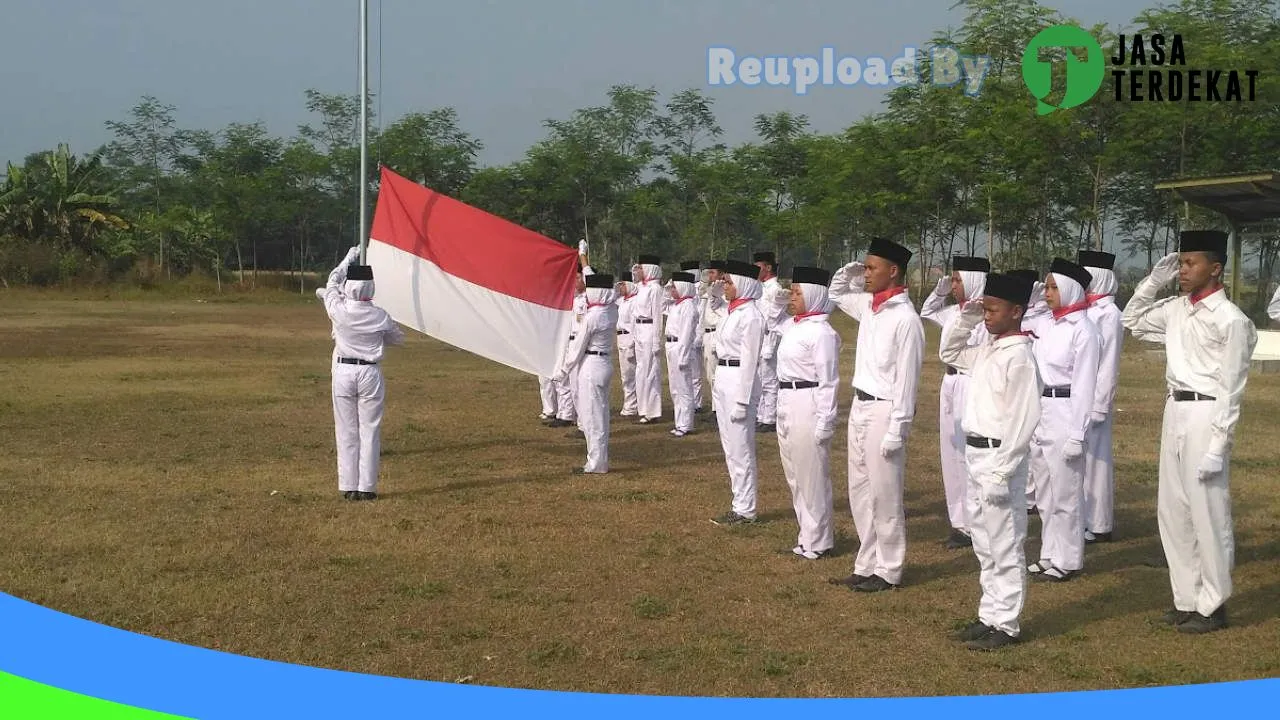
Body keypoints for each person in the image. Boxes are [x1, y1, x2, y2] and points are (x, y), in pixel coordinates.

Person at [1122, 229, 1258, 634]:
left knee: (1208, 511)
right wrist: (1152, 281)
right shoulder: (1177, 309)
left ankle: (1214, 603)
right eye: (1180, 263)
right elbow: (1131, 319)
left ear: (1215, 268)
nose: (1182, 270)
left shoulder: (1232, 320)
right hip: (1174, 409)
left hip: (1206, 413)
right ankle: (1186, 598)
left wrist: (1219, 445)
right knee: (1174, 509)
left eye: (1190, 263)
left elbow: (1232, 390)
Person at [939, 272, 1043, 651]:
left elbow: (1023, 420)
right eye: (986, 308)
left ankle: (1007, 622)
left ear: (1017, 312)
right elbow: (948, 353)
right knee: (983, 541)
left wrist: (1002, 470)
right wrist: (966, 316)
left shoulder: (1019, 356)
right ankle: (989, 614)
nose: (987, 316)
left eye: (993, 309)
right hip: (975, 454)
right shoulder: (989, 349)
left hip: (1000, 458)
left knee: (1006, 543)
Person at [827, 238, 925, 592]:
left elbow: (907, 382)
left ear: (893, 271)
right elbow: (837, 293)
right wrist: (848, 271)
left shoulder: (906, 320)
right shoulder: (870, 307)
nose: (865, 274)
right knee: (860, 489)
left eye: (871, 268)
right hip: (860, 405)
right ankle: (866, 562)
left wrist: (898, 429)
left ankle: (890, 568)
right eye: (865, 267)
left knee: (885, 492)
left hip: (885, 408)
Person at [1026, 258, 1100, 583]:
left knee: (1066, 491)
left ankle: (1068, 559)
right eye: (1047, 287)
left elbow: (1085, 386)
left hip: (1067, 409)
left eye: (1054, 287)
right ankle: (1049, 552)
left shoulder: (1084, 330)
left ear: (1070, 288)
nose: (1048, 293)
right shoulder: (1047, 324)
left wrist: (1077, 434)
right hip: (1043, 409)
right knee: (1044, 488)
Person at [316, 246, 405, 501]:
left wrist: (348, 258)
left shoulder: (338, 309)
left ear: (350, 286)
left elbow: (332, 280)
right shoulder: (380, 315)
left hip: (343, 369)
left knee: (346, 429)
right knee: (370, 430)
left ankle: (347, 485)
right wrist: (377, 336)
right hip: (370, 373)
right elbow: (398, 339)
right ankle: (367, 487)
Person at [920, 255, 991, 550]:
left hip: (970, 381)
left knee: (967, 451)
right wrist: (940, 290)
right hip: (949, 382)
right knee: (949, 451)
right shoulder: (953, 312)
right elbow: (926, 310)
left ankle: (976, 522)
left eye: (959, 280)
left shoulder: (986, 315)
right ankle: (959, 522)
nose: (955, 286)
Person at [776, 266, 841, 560]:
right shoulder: (794, 325)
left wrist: (826, 419)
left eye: (798, 292)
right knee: (794, 473)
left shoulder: (822, 333)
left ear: (814, 294)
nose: (792, 296)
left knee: (812, 473)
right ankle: (806, 534)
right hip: (786, 397)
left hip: (808, 400)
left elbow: (829, 380)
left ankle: (820, 539)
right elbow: (769, 319)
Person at [710, 259, 767, 525]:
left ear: (744, 284)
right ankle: (738, 501)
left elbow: (750, 360)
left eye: (730, 282)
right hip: (723, 376)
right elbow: (712, 298)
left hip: (738, 380)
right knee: (729, 445)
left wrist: (743, 400)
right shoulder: (732, 311)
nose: (726, 285)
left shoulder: (752, 316)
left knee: (741, 446)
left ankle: (746, 508)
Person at [1079, 250, 1124, 544]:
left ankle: (1100, 521)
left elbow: (1109, 363)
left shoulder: (1110, 314)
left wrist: (1099, 405)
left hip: (1096, 398)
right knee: (1081, 463)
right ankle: (1084, 517)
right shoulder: (1087, 311)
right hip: (1080, 395)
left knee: (1096, 462)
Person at [555, 273, 619, 474]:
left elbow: (577, 348)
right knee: (601, 414)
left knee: (593, 417)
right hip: (604, 361)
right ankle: (599, 459)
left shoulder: (594, 316)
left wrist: (563, 370)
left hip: (591, 364)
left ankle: (596, 463)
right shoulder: (611, 310)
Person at [1009, 268, 1052, 513]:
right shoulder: (1027, 315)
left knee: (1033, 443)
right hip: (1018, 384)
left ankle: (1032, 496)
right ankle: (1028, 495)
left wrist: (1035, 306)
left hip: (1038, 385)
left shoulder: (1043, 317)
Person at [548, 265, 590, 429]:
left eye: (578, 278)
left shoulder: (588, 299)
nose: (575, 281)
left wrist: (582, 257)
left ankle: (582, 421)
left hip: (580, 344)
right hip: (568, 341)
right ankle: (566, 414)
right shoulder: (573, 298)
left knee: (578, 385)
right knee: (565, 381)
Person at [665, 270, 701, 437]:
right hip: (671, 346)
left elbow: (686, 334)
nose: (671, 290)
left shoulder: (688, 306)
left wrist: (683, 356)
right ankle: (679, 421)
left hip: (680, 348)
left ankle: (686, 423)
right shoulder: (676, 305)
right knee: (675, 388)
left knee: (684, 387)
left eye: (674, 286)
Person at [754, 251, 787, 434]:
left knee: (769, 380)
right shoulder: (760, 288)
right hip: (759, 339)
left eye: (759, 267)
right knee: (759, 380)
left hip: (770, 340)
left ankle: (770, 417)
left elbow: (774, 321)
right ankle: (760, 415)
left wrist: (770, 346)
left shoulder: (775, 288)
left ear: (767, 267)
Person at [632, 255, 665, 424]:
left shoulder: (655, 289)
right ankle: (643, 408)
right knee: (641, 371)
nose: (640, 270)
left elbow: (658, 316)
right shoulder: (641, 287)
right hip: (639, 329)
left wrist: (656, 341)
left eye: (643, 267)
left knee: (650, 371)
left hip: (649, 328)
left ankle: (653, 410)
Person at [702, 261, 729, 420]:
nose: (710, 276)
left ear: (721, 274)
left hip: (716, 333)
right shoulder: (710, 291)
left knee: (716, 374)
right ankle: (715, 406)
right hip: (707, 333)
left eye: (713, 272)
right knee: (709, 373)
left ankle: (718, 409)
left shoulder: (724, 293)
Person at [680, 260, 707, 414]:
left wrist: (699, 334)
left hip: (697, 332)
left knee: (696, 372)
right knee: (688, 369)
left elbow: (702, 313)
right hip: (687, 332)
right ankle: (691, 400)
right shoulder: (686, 288)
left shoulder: (700, 288)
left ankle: (697, 402)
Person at [615, 275, 639, 417]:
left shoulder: (634, 302)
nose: (620, 287)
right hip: (620, 338)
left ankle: (632, 405)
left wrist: (631, 344)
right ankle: (629, 403)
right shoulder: (622, 301)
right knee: (625, 375)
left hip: (629, 338)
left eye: (623, 285)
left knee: (631, 374)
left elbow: (635, 325)